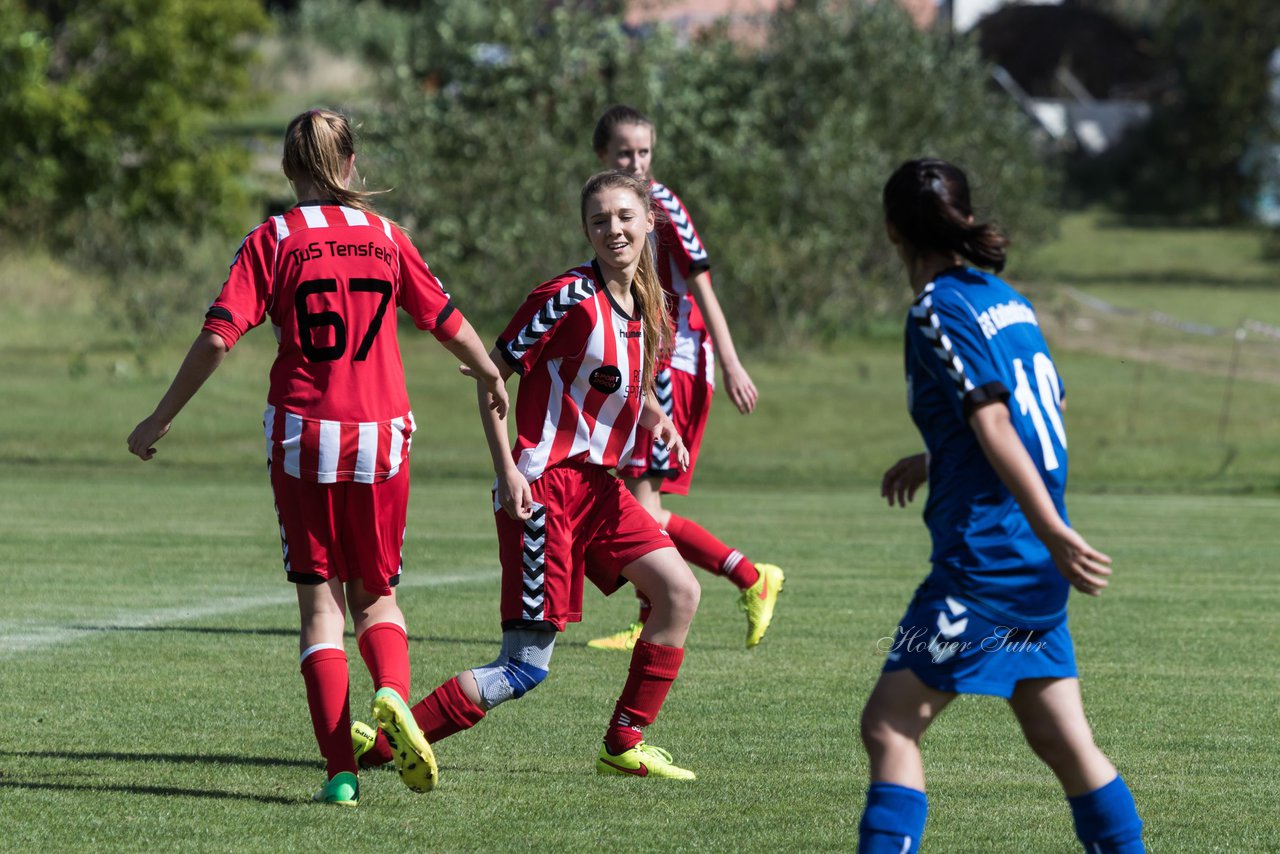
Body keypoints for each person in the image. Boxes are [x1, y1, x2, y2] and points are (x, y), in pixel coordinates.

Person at [126, 109, 508, 807]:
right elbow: (445, 322)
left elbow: (217, 338)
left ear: (286, 168)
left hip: (304, 435)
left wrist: (160, 416)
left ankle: (340, 772)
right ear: (353, 164)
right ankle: (392, 694)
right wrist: (489, 372)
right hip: (384, 435)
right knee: (377, 594)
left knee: (318, 608)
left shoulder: (272, 240)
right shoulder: (390, 238)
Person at [353, 170, 703, 782]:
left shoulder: (648, 304)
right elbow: (492, 379)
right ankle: (385, 747)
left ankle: (624, 740)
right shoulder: (568, 296)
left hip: (601, 489)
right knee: (524, 667)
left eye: (625, 216)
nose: (613, 229)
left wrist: (657, 418)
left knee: (679, 592)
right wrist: (507, 468)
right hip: (544, 491)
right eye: (600, 220)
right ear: (586, 229)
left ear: (650, 221)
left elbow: (622, 379)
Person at [856, 159, 1144, 853]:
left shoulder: (936, 309)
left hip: (988, 563)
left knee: (890, 726)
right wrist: (938, 459)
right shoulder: (1003, 298)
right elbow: (1048, 404)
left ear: (893, 230)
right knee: (1061, 738)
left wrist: (1052, 530)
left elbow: (993, 420)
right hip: (1028, 567)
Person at [586, 104, 784, 652]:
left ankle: (717, 589)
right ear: (603, 156)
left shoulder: (662, 204)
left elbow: (701, 285)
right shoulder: (610, 208)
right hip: (648, 359)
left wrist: (733, 359)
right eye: (625, 152)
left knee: (640, 503)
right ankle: (744, 578)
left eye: (644, 152)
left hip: (678, 364)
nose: (636, 161)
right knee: (640, 504)